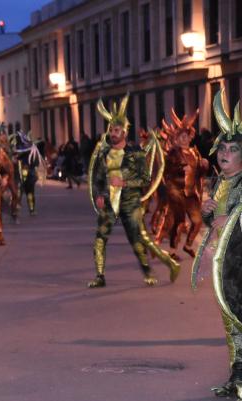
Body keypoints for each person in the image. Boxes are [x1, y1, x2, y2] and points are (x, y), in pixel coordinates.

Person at [88, 94, 179, 288]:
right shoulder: (103, 153)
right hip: (109, 201)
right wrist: (98, 195)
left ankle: (154, 269)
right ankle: (100, 276)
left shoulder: (135, 153)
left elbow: (145, 179)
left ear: (124, 132)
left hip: (130, 201)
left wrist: (125, 183)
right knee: (99, 238)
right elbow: (97, 178)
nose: (113, 133)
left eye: (117, 130)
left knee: (138, 240)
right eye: (111, 130)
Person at [193, 91, 242, 399]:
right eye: (222, 148)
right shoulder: (217, 181)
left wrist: (234, 218)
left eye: (233, 149)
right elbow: (209, 222)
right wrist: (208, 212)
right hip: (222, 265)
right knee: (230, 323)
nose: (224, 154)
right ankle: (237, 378)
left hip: (239, 261)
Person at [158, 109, 208, 258]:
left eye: (187, 136)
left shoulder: (195, 153)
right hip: (176, 192)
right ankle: (173, 251)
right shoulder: (173, 154)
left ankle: (187, 245)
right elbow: (166, 171)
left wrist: (203, 165)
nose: (185, 139)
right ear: (177, 139)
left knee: (197, 222)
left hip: (191, 193)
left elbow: (199, 173)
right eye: (182, 137)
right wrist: (180, 168)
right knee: (179, 222)